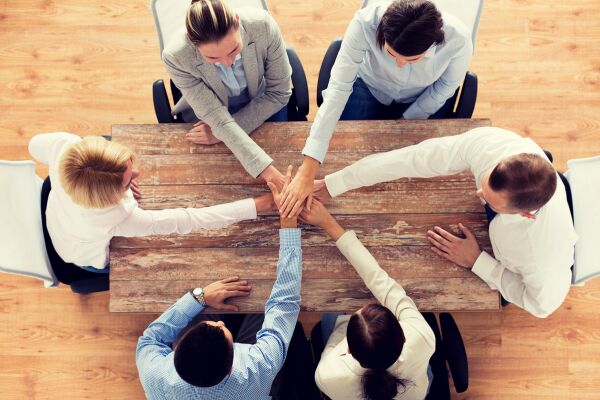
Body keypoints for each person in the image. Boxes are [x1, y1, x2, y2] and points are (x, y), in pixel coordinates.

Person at [311, 127, 577, 318]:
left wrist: (478, 262)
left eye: (490, 201)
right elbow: (415, 158)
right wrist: (337, 182)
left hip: (512, 263)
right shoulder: (494, 146)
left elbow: (542, 306)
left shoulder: (540, 256)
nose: (478, 195)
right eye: (484, 185)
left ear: (526, 215)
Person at [279, 0, 473, 217]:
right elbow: (337, 90)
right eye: (390, 55)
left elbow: (445, 88)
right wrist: (308, 168)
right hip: (369, 87)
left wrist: (408, 119)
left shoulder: (459, 40)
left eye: (413, 60)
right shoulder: (364, 23)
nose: (399, 65)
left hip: (422, 97)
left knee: (415, 168)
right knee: (344, 152)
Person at [136, 166, 306, 399]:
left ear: (176, 352)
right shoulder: (257, 369)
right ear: (231, 368)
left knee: (219, 306)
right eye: (221, 329)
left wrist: (200, 297)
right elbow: (284, 303)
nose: (217, 323)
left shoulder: (155, 374)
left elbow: (151, 338)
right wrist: (288, 223)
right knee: (263, 311)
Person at [28, 132, 274, 272]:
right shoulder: (120, 216)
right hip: (81, 254)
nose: (137, 176)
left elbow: (32, 147)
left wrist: (116, 184)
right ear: (107, 197)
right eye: (127, 181)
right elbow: (190, 219)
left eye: (129, 166)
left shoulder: (64, 147)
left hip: (58, 214)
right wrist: (261, 204)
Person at [300, 200, 435, 399]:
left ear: (348, 350)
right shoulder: (421, 337)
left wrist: (329, 224)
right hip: (413, 387)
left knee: (331, 310)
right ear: (404, 337)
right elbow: (384, 284)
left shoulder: (328, 375)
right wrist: (329, 223)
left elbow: (334, 341)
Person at [163, 0, 292, 187]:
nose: (228, 62)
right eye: (213, 58)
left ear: (238, 22)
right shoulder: (175, 56)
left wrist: (220, 134)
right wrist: (269, 174)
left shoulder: (263, 25)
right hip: (210, 114)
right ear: (192, 42)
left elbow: (279, 93)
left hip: (264, 103)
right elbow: (218, 119)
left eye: (234, 50)